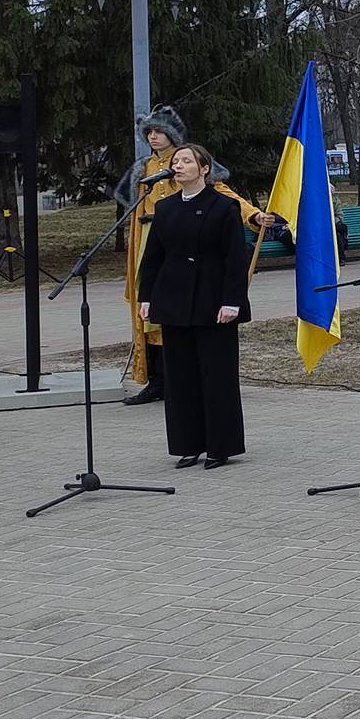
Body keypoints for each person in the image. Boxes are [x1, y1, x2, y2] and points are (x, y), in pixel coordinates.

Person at [118, 105, 271, 404]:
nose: (153, 137)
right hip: (150, 237)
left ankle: (186, 379)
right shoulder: (145, 168)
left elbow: (224, 195)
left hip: (187, 239)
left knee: (176, 311)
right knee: (149, 312)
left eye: (159, 131)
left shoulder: (190, 162)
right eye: (149, 132)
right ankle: (157, 379)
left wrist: (252, 215)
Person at [136, 144, 251, 468]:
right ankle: (188, 444)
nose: (179, 165)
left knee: (216, 376)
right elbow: (154, 257)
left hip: (213, 301)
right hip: (174, 301)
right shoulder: (165, 207)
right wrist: (147, 297)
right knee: (180, 377)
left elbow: (235, 258)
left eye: (187, 161)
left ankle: (220, 445)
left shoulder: (223, 207)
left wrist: (232, 301)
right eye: (176, 161)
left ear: (204, 168)